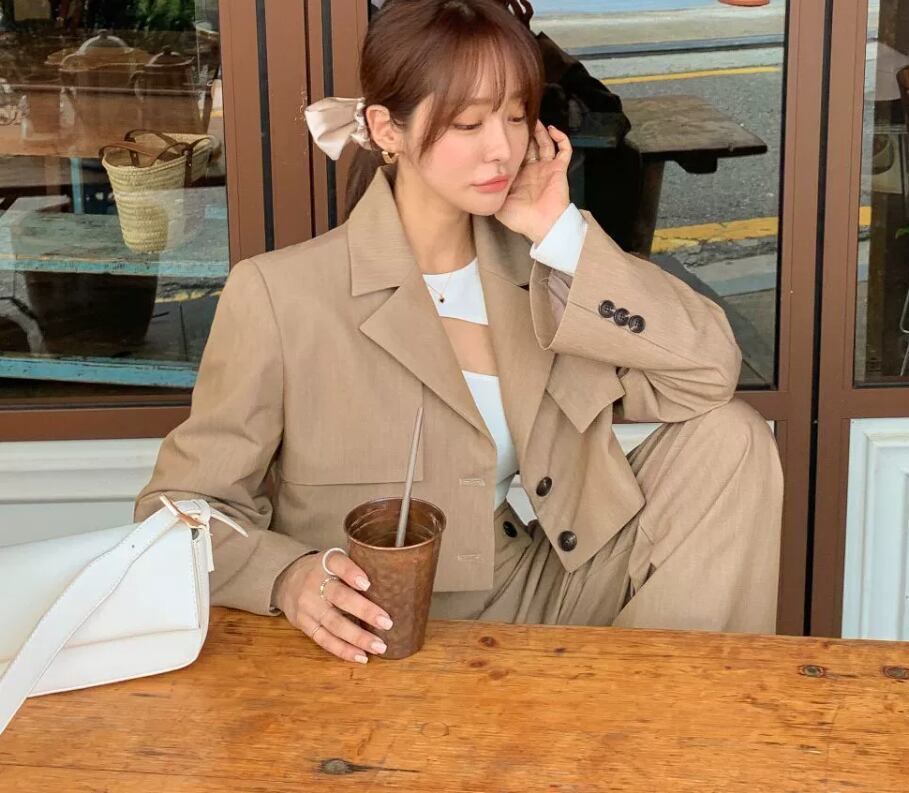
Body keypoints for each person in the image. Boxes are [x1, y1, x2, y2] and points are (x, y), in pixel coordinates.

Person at [134, 0, 783, 666]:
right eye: (468, 123)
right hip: (369, 625)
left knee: (730, 439)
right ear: (386, 129)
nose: (500, 148)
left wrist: (559, 231)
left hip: (530, 590)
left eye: (515, 116)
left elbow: (708, 372)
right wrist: (287, 576)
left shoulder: (542, 272)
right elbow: (179, 507)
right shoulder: (281, 294)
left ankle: (663, 717)